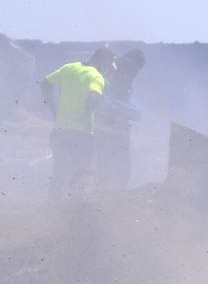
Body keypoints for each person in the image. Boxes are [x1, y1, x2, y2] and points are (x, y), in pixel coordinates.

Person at [41, 47, 115, 200]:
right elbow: (94, 96)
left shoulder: (69, 68)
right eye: (109, 63)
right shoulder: (96, 77)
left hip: (60, 131)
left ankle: (52, 208)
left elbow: (45, 83)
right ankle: (74, 209)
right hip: (81, 134)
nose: (110, 66)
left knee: (59, 173)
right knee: (80, 175)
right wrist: (86, 116)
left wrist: (52, 107)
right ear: (103, 60)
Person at [94, 49, 145, 189]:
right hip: (103, 135)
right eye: (127, 72)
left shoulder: (127, 88)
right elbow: (105, 107)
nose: (128, 76)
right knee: (103, 173)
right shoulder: (104, 82)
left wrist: (118, 106)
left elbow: (137, 113)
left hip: (120, 138)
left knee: (123, 174)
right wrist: (122, 108)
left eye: (131, 73)